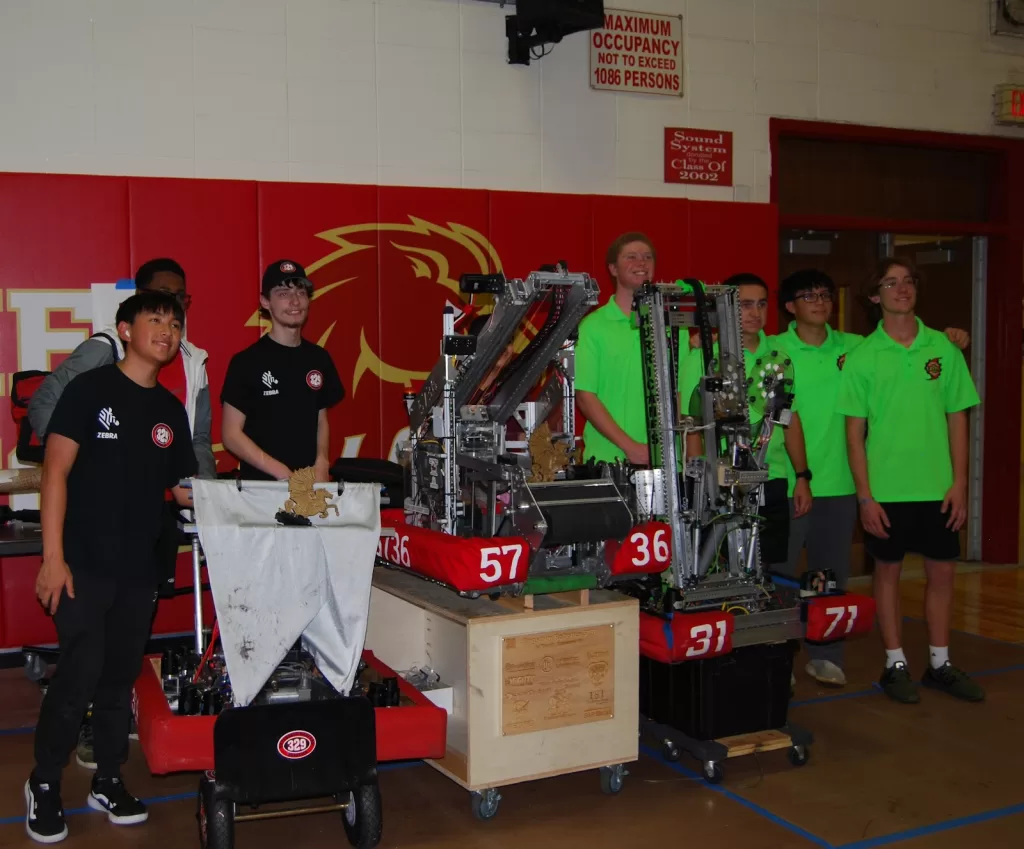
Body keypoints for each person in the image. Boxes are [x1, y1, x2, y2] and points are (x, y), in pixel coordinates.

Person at [27, 258, 214, 770]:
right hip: (83, 562)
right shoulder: (89, 389)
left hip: (139, 568)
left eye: (175, 322)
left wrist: (267, 503)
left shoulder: (171, 408)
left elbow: (183, 491)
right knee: (77, 679)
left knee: (118, 681)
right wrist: (52, 558)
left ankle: (109, 778)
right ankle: (44, 783)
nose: (168, 330)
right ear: (126, 329)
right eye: (156, 319)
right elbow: (55, 474)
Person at [772, 269, 970, 688]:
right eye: (808, 296)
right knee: (782, 577)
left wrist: (951, 338)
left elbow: (904, 345)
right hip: (789, 481)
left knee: (827, 577)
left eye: (826, 294)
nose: (820, 302)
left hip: (841, 484)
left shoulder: (855, 347)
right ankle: (778, 658)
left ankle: (825, 654)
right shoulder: (773, 351)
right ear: (790, 306)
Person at [837, 257, 983, 704]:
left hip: (938, 488)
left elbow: (958, 421)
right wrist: (865, 497)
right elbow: (854, 435)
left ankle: (939, 664)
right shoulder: (862, 358)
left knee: (942, 574)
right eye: (890, 283)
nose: (902, 289)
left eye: (908, 282)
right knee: (888, 574)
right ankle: (894, 663)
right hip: (886, 491)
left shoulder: (944, 349)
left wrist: (960, 484)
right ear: (874, 296)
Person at [678, 273, 812, 565]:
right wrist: (702, 487)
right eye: (745, 304)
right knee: (715, 568)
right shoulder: (703, 355)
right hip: (718, 485)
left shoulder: (777, 357)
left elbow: (789, 419)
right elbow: (692, 426)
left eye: (761, 304)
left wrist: (802, 477)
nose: (755, 313)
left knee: (767, 571)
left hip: (771, 477)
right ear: (726, 307)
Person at [220, 259, 344, 481]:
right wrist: (281, 472)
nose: (295, 301)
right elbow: (230, 435)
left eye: (301, 292)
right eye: (283, 293)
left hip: (310, 491)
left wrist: (322, 461)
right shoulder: (246, 362)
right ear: (265, 301)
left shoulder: (319, 358)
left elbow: (320, 418)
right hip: (261, 491)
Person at [575, 233, 656, 466]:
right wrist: (631, 447)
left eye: (647, 257)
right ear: (613, 268)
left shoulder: (671, 327)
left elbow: (680, 395)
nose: (641, 263)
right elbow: (585, 396)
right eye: (631, 257)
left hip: (668, 463)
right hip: (609, 461)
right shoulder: (593, 327)